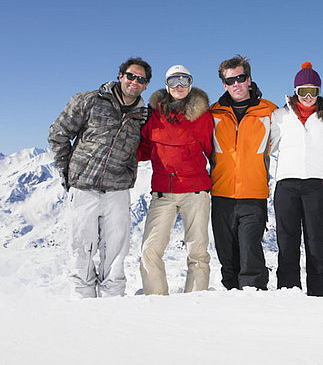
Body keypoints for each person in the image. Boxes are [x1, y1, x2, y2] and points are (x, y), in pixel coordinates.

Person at [48, 57, 152, 298]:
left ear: (146, 85)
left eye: (141, 79)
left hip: (118, 190)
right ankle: (83, 303)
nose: (134, 82)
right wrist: (68, 172)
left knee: (116, 250)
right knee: (82, 248)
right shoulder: (89, 101)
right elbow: (58, 134)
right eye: (130, 76)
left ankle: (113, 302)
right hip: (84, 187)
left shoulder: (142, 115)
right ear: (120, 76)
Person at [270, 62, 323, 296]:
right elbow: (264, 145)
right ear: (294, 91)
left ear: (319, 92)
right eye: (302, 90)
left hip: (316, 185)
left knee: (316, 243)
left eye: (312, 91)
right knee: (287, 243)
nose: (306, 97)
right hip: (286, 186)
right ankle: (287, 291)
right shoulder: (279, 116)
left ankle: (320, 293)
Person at [137, 65, 213, 295]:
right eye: (173, 81)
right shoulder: (153, 116)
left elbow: (212, 150)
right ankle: (156, 300)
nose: (179, 86)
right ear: (166, 85)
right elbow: (143, 150)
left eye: (184, 81)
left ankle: (195, 300)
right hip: (163, 192)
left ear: (191, 84)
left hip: (195, 191)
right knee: (150, 250)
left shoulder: (202, 117)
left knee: (198, 251)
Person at [210, 55, 277, 290]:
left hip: (253, 195)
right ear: (224, 84)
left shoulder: (269, 112)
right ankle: (231, 313)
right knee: (227, 260)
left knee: (251, 259)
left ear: (249, 79)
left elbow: (300, 126)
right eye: (230, 81)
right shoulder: (214, 113)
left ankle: (255, 306)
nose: (235, 84)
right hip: (221, 195)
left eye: (240, 78)